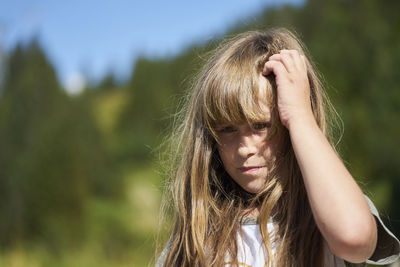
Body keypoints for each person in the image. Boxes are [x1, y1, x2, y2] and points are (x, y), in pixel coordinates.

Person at [156, 28, 400, 267]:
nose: (244, 148)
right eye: (228, 129)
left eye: (261, 125)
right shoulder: (198, 234)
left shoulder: (327, 211)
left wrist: (299, 116)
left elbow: (354, 238)